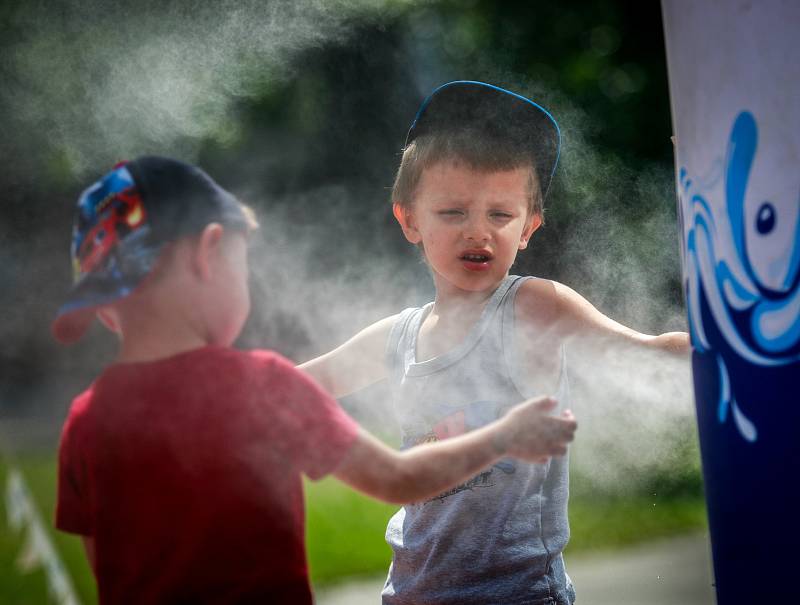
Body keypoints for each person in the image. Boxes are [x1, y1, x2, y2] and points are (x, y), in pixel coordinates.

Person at [51, 155, 577, 605]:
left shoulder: (84, 422)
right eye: (242, 263)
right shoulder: (260, 387)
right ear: (208, 253)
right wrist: (505, 436)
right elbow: (396, 479)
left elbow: (108, 578)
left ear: (102, 311)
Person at [299, 81, 690, 605]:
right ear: (409, 219)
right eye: (453, 212)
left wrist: (694, 167)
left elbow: (646, 353)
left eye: (499, 216)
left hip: (521, 594)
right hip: (411, 595)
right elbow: (292, 388)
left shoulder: (533, 306)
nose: (477, 232)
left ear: (528, 227)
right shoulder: (398, 338)